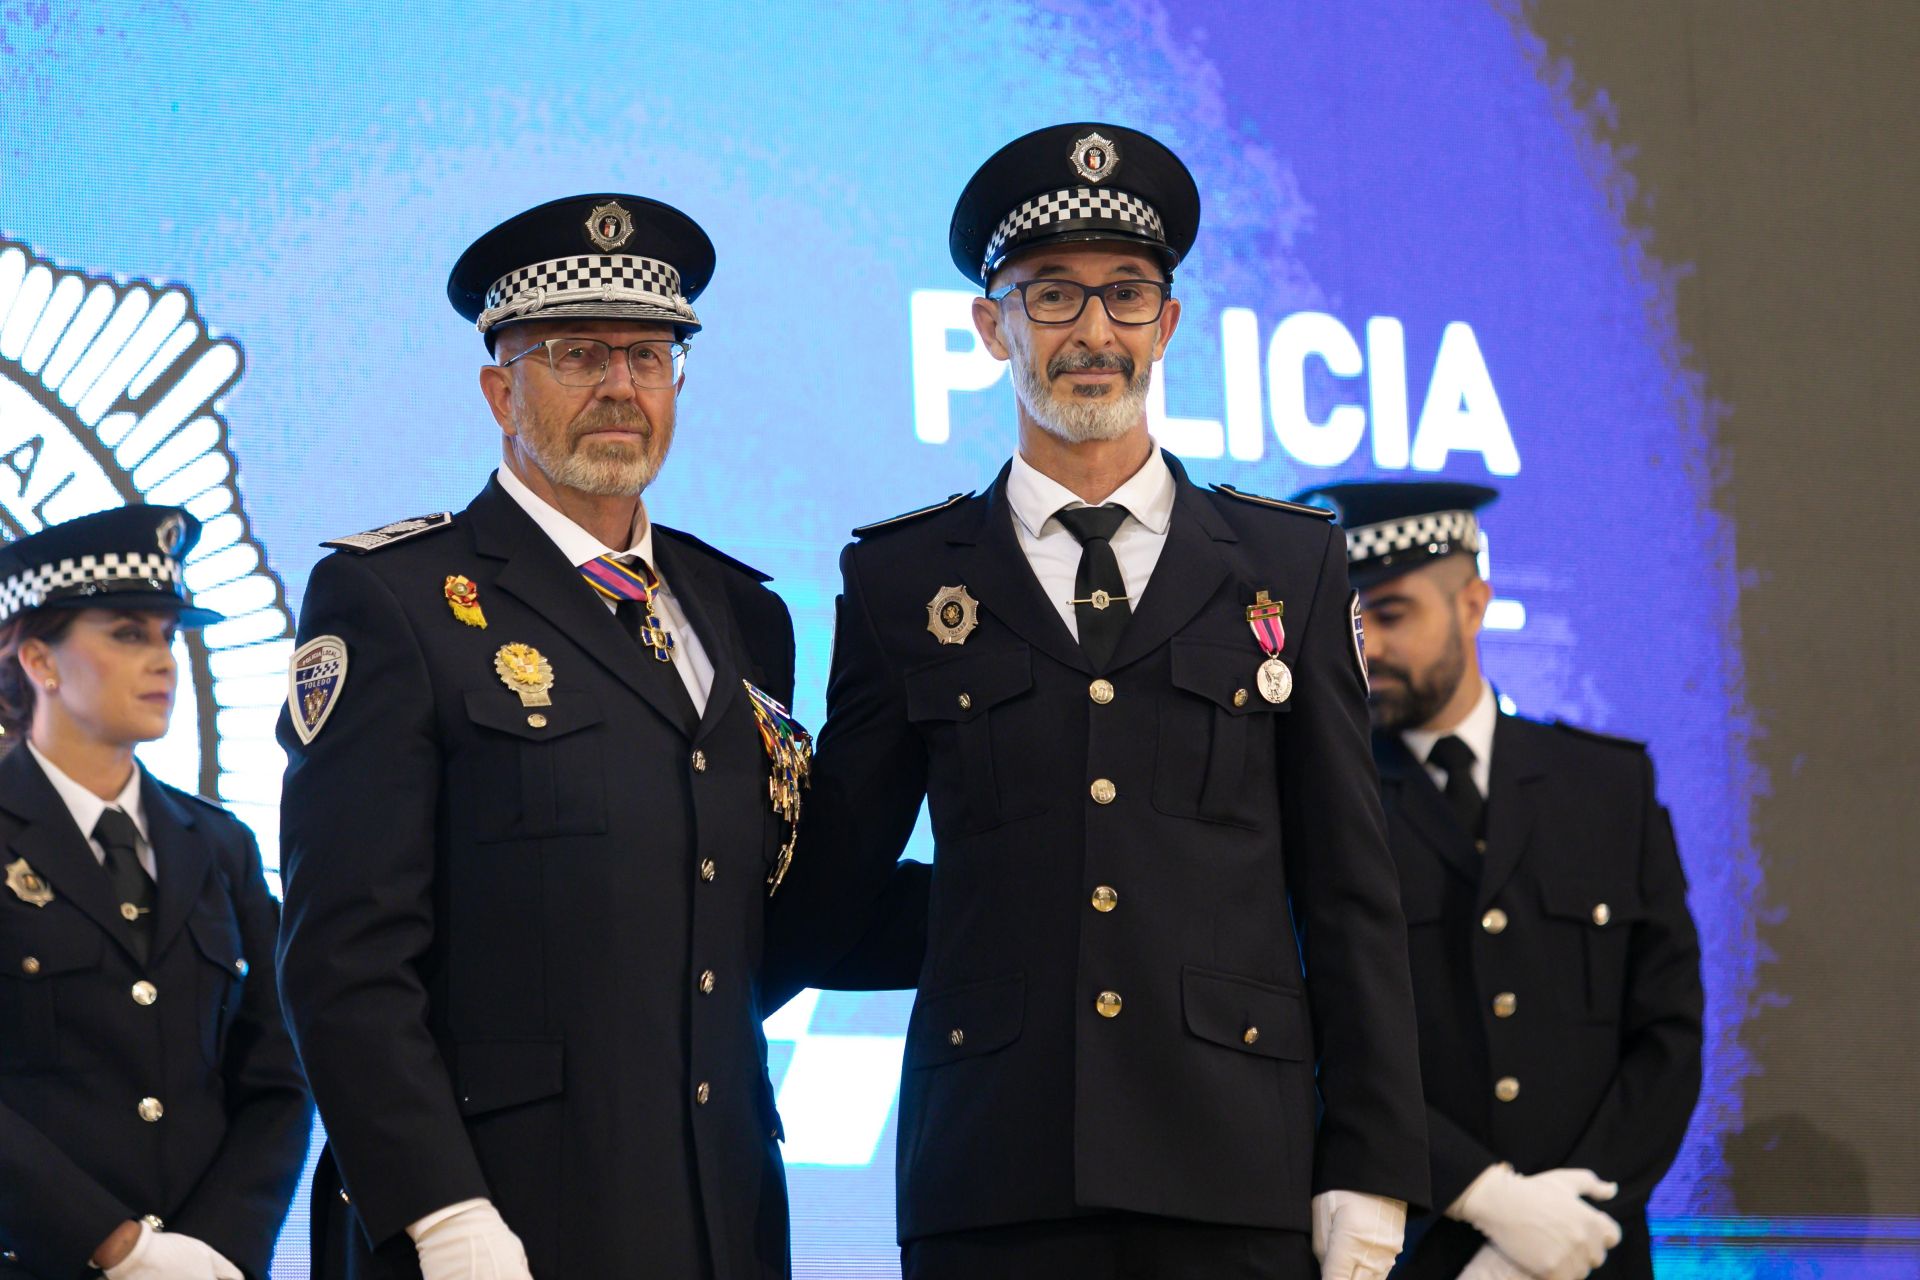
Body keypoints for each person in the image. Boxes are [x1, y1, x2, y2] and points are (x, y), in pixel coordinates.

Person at [791, 123, 1428, 1279]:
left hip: (1235, 1168)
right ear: (991, 326)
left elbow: (1349, 891)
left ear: (1167, 324)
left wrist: (1372, 1162)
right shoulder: (900, 581)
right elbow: (838, 890)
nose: (1093, 331)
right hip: (994, 1176)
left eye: (1126, 293)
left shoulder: (1289, 565)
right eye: (1052, 294)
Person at [275, 193, 915, 1280]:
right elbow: (344, 959)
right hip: (500, 1222)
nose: (621, 385)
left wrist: (1037, 900)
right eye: (578, 354)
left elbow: (750, 922)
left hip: (722, 1214)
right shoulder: (396, 600)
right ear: (500, 389)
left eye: (650, 356)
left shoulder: (740, 611)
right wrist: (438, 1209)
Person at [1292, 481, 1703, 1280]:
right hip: (1415, 1252)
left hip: (1591, 1251)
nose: (1367, 648)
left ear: (1473, 605)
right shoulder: (1318, 803)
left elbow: (1667, 1034)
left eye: (1391, 615)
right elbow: (1313, 1041)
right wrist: (1485, 1198)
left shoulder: (1606, 788)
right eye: (1350, 624)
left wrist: (1569, 1223)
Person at [0, 505, 311, 1280]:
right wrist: (116, 1246)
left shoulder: (219, 846)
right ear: (39, 660)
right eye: (128, 634)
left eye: (168, 637)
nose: (164, 661)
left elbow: (277, 1074)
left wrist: (216, 1251)